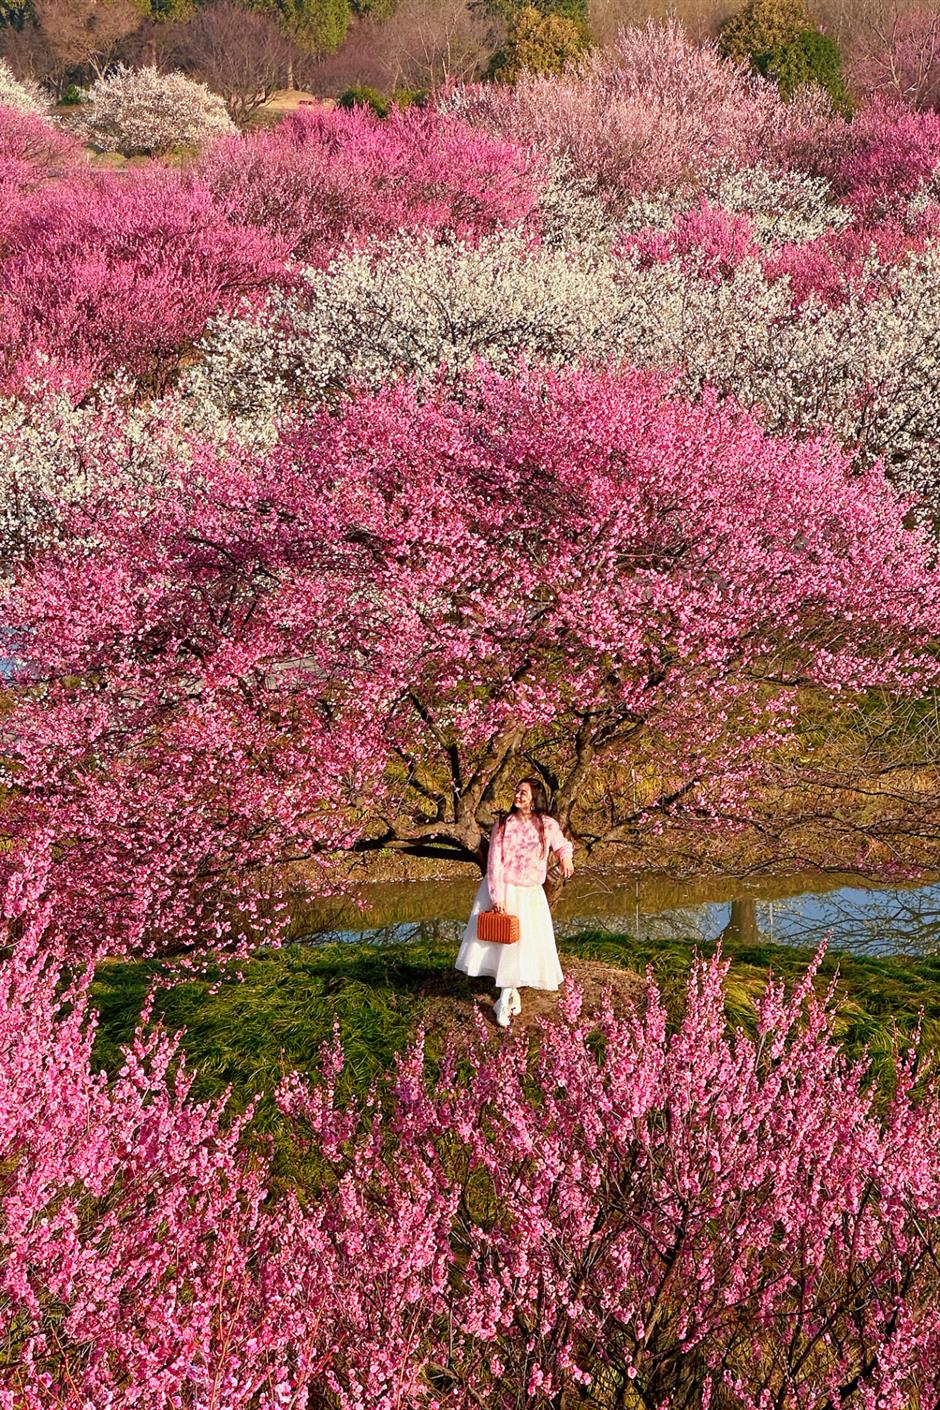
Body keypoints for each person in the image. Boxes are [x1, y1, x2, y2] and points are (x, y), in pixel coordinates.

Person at [454, 777, 575, 1027]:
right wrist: (497, 896)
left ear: (534, 798)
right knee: (505, 946)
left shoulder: (547, 825)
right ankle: (504, 998)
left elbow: (562, 845)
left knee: (523, 945)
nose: (517, 796)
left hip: (530, 894)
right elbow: (494, 862)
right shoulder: (503, 824)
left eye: (523, 793)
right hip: (505, 889)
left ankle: (509, 991)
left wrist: (566, 857)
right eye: (517, 791)